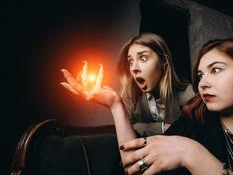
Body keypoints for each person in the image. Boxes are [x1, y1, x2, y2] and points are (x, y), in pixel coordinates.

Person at [61, 38, 233, 175]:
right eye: (200, 74)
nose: (203, 82)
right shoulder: (193, 123)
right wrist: (115, 105)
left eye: (215, 69)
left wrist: (192, 155)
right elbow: (134, 168)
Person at [61, 32, 194, 136]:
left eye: (143, 58)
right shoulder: (137, 99)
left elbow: (195, 134)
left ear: (163, 62)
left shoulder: (187, 94)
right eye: (130, 62)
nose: (134, 68)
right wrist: (162, 127)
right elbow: (131, 128)